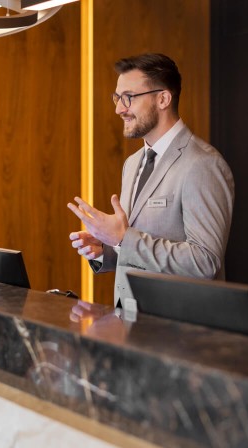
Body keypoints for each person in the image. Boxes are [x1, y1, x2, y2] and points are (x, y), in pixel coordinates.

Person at [67, 53, 235, 307]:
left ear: (163, 99)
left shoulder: (202, 164)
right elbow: (138, 247)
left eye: (128, 98)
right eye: (117, 98)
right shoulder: (133, 163)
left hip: (179, 332)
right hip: (131, 321)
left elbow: (205, 262)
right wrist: (108, 249)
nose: (119, 109)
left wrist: (123, 239)